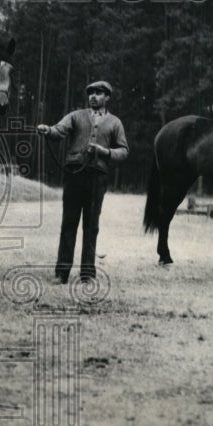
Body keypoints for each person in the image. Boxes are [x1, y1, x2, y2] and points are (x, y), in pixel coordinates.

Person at [37, 81, 129, 284]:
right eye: (91, 93)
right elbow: (59, 130)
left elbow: (124, 151)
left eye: (98, 93)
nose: (93, 96)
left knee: (91, 225)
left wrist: (104, 152)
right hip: (74, 175)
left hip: (98, 178)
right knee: (68, 223)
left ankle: (87, 274)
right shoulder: (76, 116)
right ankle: (62, 274)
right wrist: (48, 130)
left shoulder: (115, 123)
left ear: (107, 97)